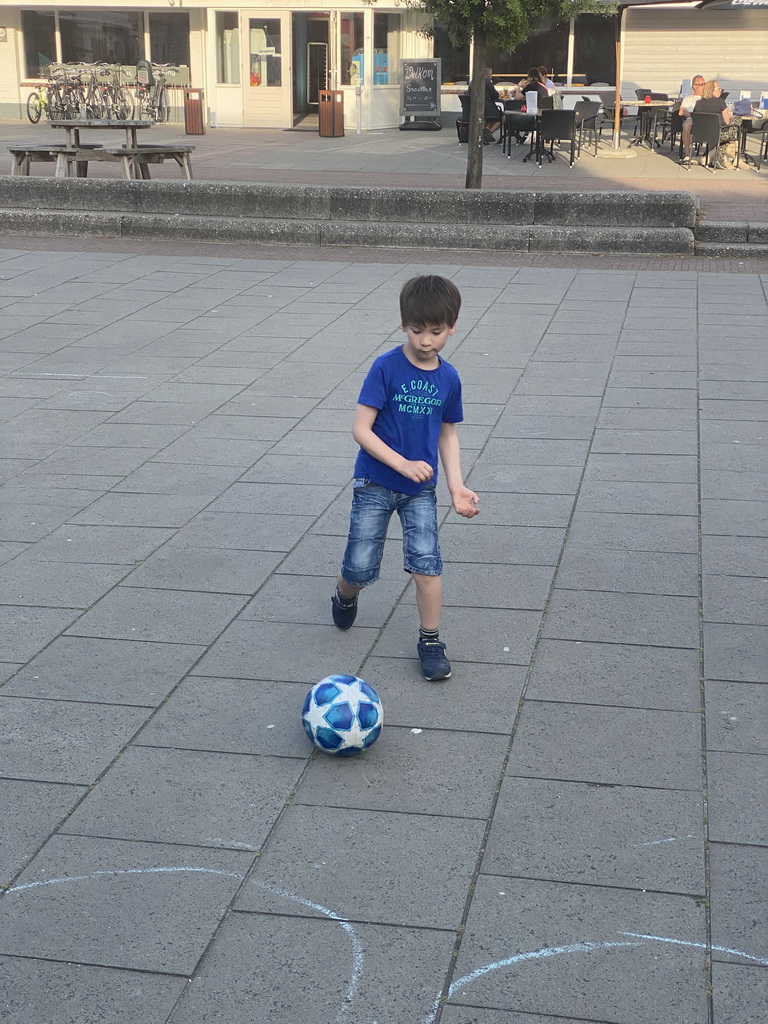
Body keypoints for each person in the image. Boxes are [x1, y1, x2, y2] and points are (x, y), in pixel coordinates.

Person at [331, 275, 480, 682]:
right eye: (417, 330)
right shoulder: (385, 368)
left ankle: (430, 639)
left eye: (436, 331)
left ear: (452, 327)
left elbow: (448, 433)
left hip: (420, 491)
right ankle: (345, 595)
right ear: (403, 324)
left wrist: (456, 486)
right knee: (360, 567)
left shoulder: (448, 378)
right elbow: (361, 429)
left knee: (427, 565)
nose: (426, 340)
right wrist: (401, 463)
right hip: (375, 483)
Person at [695, 79, 741, 169]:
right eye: (719, 89)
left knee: (726, 134)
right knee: (736, 122)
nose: (721, 91)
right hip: (718, 133)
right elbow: (727, 121)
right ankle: (722, 158)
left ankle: (713, 156)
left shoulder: (698, 103)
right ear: (711, 90)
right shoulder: (720, 102)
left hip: (701, 134)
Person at [679, 74, 705, 165]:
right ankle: (687, 153)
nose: (703, 87)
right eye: (701, 84)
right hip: (692, 119)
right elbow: (681, 111)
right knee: (687, 124)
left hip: (707, 119)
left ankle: (709, 154)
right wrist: (692, 115)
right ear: (694, 86)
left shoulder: (708, 98)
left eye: (704, 84)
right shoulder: (688, 98)